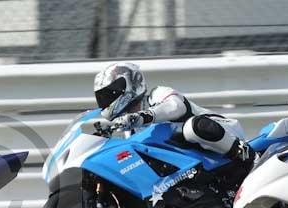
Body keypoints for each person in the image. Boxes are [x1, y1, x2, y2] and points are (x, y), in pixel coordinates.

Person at [92, 62, 254, 166]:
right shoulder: (130, 131)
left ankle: (249, 156)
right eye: (104, 96)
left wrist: (143, 117)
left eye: (111, 93)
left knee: (192, 128)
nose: (107, 99)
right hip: (198, 162)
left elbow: (177, 107)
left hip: (224, 133)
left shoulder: (157, 94)